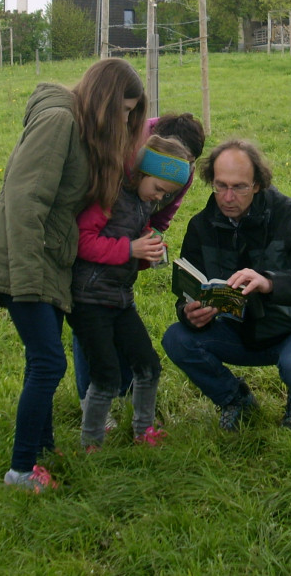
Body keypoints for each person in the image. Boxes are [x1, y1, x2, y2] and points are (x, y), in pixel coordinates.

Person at [0, 58, 146, 493]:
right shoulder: (59, 120)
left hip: (49, 260)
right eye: (123, 109)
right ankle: (21, 470)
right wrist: (26, 284)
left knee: (40, 361)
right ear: (103, 99)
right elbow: (25, 202)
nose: (124, 120)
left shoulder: (77, 125)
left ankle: (42, 449)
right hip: (25, 260)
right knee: (48, 362)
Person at [162, 138, 291, 431]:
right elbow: (187, 288)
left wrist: (271, 283)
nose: (228, 197)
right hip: (235, 331)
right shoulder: (201, 226)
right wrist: (189, 312)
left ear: (258, 184)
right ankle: (235, 399)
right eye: (220, 186)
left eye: (239, 187)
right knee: (177, 339)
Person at [72, 112, 206, 413]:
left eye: (166, 193)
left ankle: (128, 405)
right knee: (95, 349)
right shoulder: (114, 178)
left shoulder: (168, 179)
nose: (161, 197)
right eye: (159, 189)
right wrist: (130, 248)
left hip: (120, 288)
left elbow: (159, 216)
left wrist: (150, 244)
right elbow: (83, 238)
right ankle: (93, 410)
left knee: (140, 358)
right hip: (89, 289)